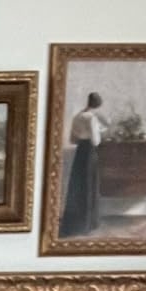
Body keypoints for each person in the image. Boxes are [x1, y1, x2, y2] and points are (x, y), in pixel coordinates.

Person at [60, 90, 105, 237]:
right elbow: (96, 141)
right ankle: (88, 224)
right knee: (89, 184)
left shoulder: (77, 116)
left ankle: (75, 223)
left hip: (80, 152)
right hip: (90, 152)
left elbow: (72, 140)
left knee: (79, 185)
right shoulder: (91, 118)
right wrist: (100, 130)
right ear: (97, 105)